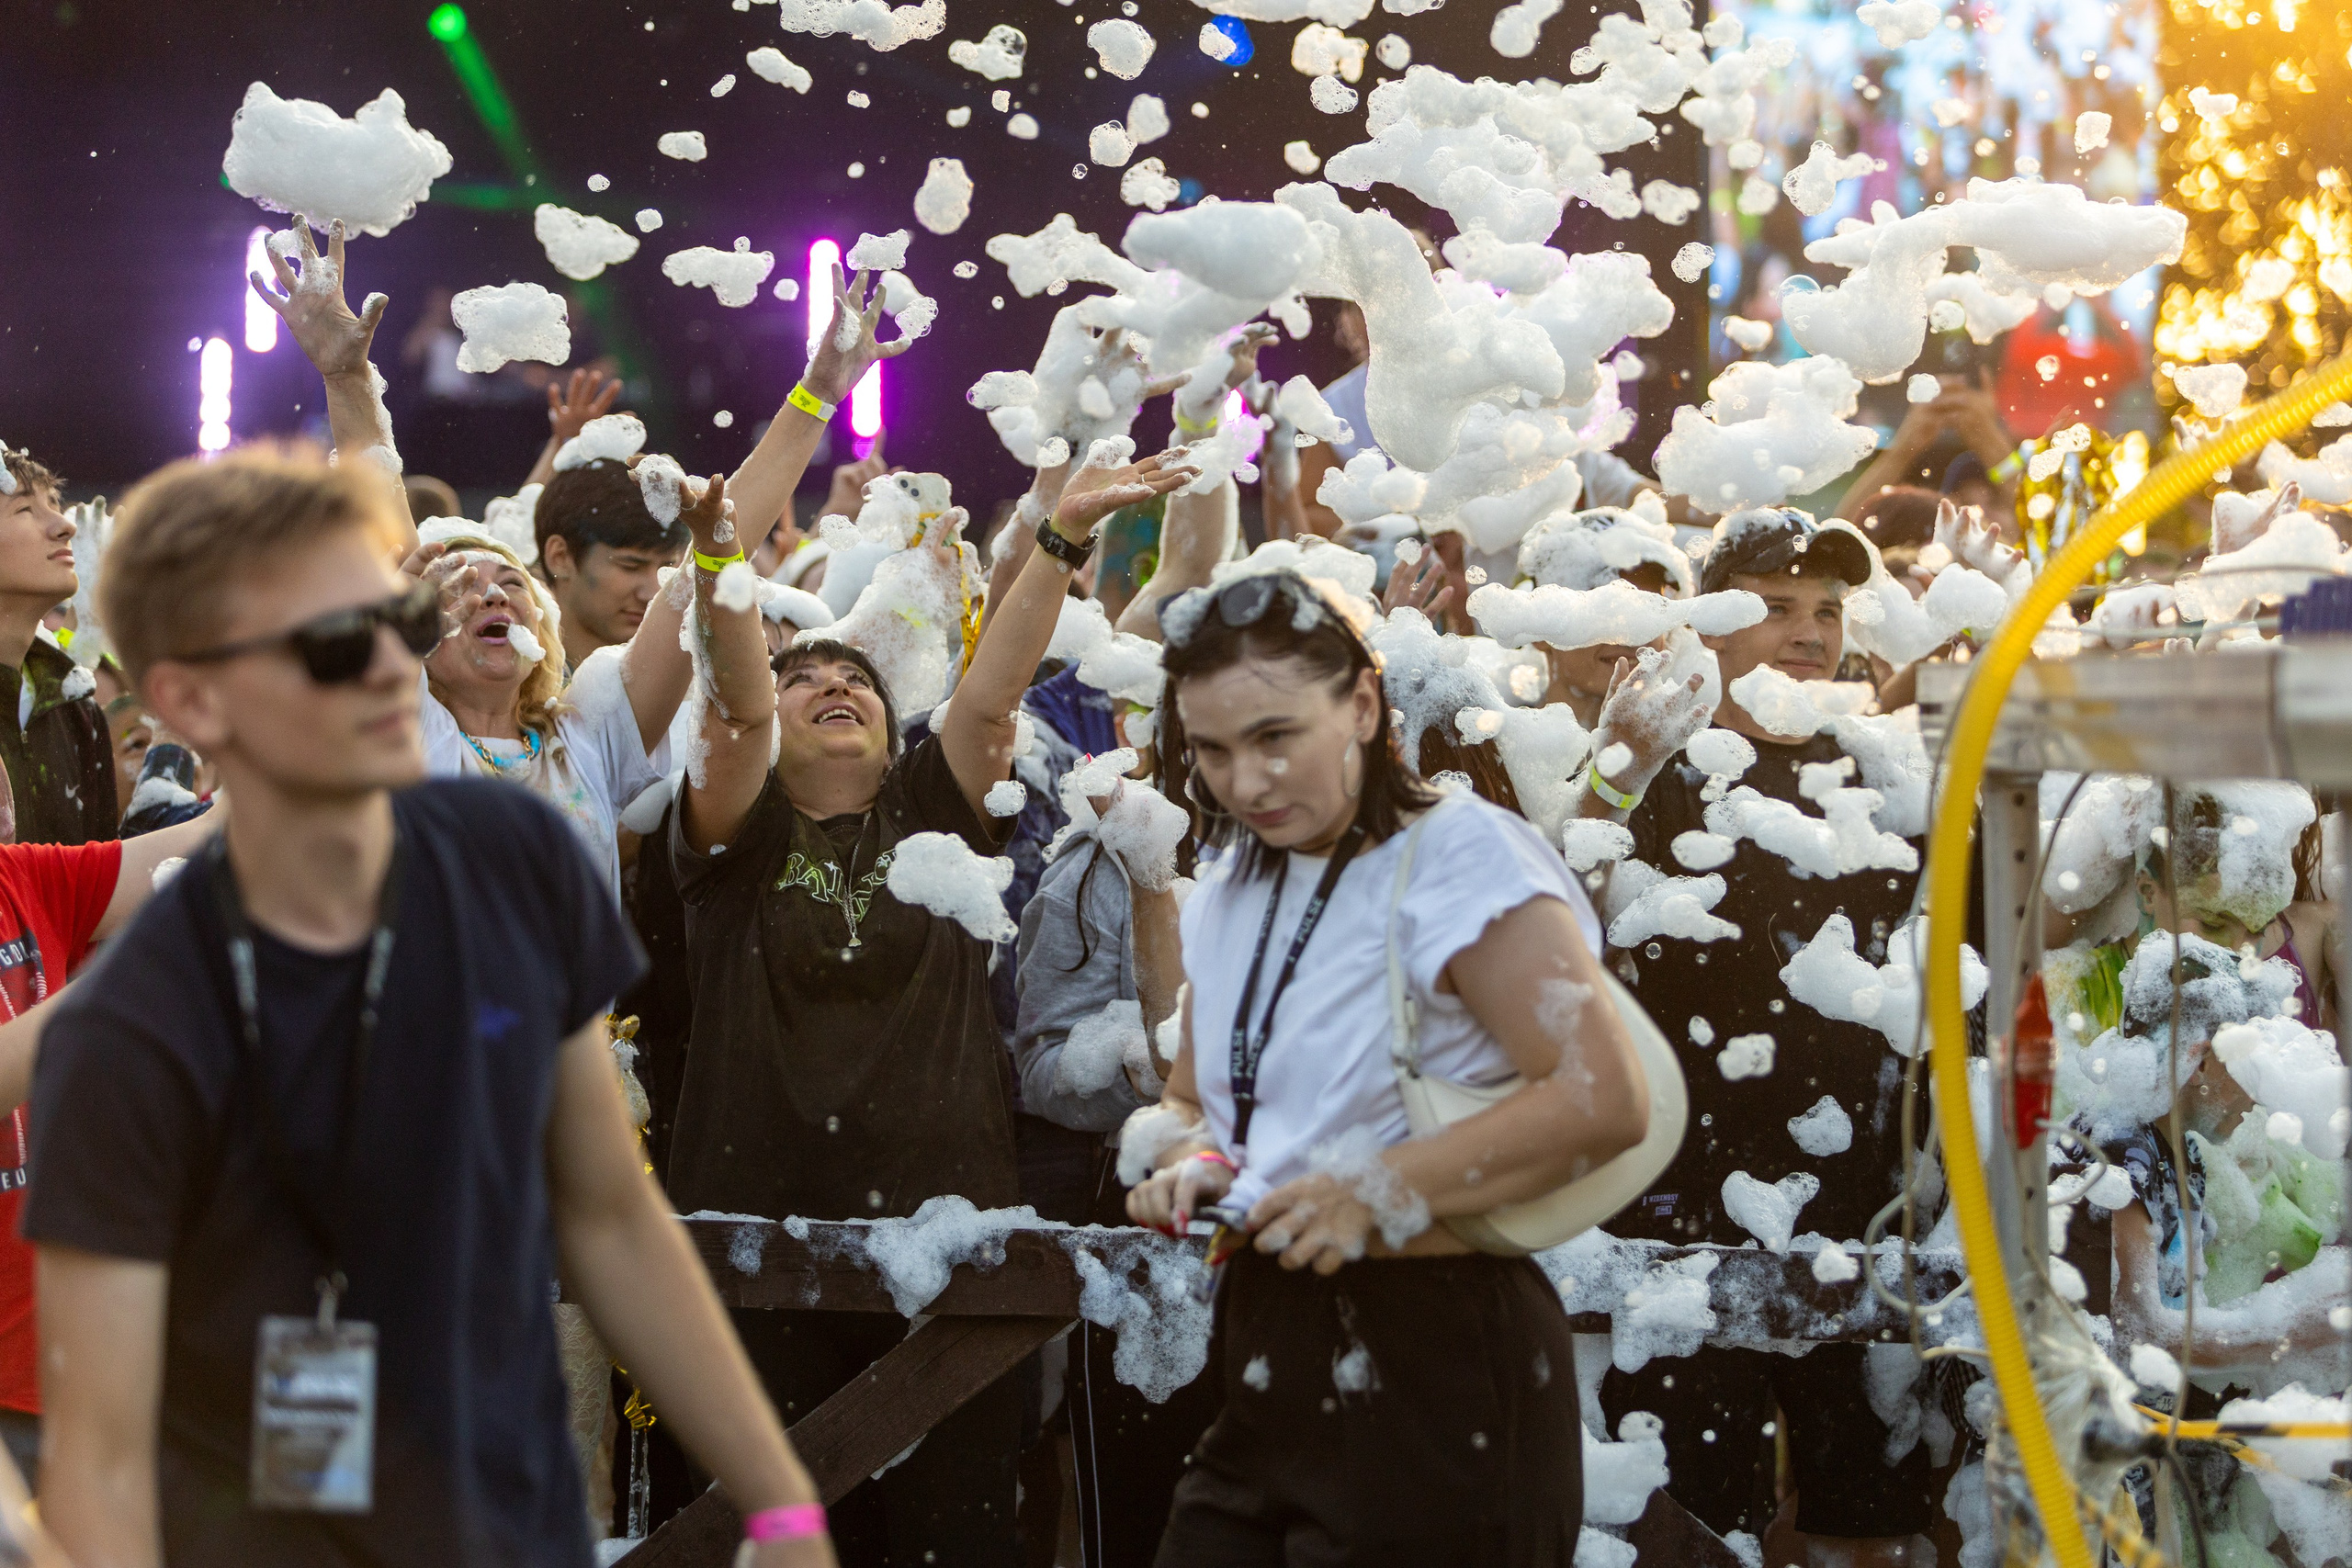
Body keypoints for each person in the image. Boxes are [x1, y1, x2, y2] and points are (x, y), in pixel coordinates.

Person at [26, 441, 837, 1568]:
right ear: (187, 699)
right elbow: (101, 1466)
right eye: (327, 639)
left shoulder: (512, 861)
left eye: (392, 625)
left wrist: (783, 1505)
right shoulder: (135, 1026)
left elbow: (606, 1216)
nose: (378, 667)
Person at [671, 258, 1197, 1566]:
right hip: (754, 1240)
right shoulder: (731, 837)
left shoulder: (935, 812)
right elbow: (735, 700)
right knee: (774, 1543)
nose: (832, 683)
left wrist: (1061, 538)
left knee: (954, 1542)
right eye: (809, 679)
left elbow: (989, 689)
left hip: (948, 1238)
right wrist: (724, 567)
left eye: (856, 672)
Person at [1125, 567, 1648, 1566]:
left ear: (1363, 704)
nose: (1246, 782)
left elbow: (1602, 1096)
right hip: (1268, 1342)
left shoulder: (1464, 855)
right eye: (1213, 750)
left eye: (1276, 737)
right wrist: (1194, 1164)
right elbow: (1192, 1097)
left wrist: (1376, 1187)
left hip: (1443, 1352)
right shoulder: (1229, 884)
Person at [1579, 509, 1938, 1568]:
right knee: (1692, 1534)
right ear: (1712, 619)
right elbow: (1555, 927)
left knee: (1864, 1533)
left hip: (1858, 1215)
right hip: (1682, 1214)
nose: (1808, 630)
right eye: (1776, 605)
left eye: (1827, 610)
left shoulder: (1875, 780)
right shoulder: (1656, 771)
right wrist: (1610, 777)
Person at [0, 450, 115, 844]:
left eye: (55, 504)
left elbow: (93, 890)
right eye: (25, 510)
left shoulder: (79, 712)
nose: (65, 525)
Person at [531, 457, 688, 673]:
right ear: (560, 557)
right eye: (630, 566)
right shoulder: (510, 690)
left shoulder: (686, 681)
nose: (653, 593)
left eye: (667, 567)